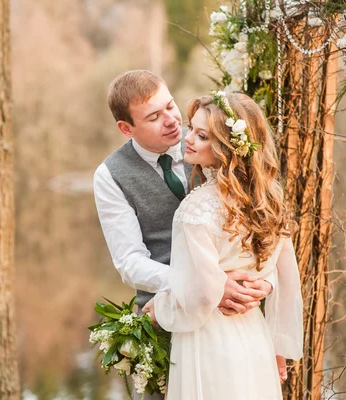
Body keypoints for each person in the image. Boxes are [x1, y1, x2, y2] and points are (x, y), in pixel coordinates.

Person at [93, 70, 275, 400]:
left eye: (170, 105)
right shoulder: (110, 176)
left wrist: (266, 279)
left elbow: (260, 217)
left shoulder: (211, 141)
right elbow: (130, 262)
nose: (172, 121)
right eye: (153, 116)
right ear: (126, 128)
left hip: (232, 318)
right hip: (166, 317)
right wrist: (203, 286)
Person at [142, 91, 303, 399]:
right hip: (254, 337)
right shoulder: (269, 200)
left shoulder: (195, 210)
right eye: (191, 128)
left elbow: (200, 295)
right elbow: (286, 278)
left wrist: (155, 309)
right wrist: (279, 345)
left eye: (201, 135)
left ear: (226, 147)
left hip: (207, 341)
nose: (187, 138)